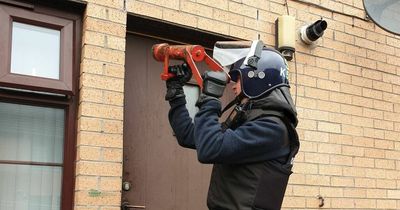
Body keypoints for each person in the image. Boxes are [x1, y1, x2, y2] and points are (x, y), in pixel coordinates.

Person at [164, 47, 299, 210]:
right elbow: (189, 136)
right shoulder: (252, 121)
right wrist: (176, 94)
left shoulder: (272, 128)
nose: (233, 86)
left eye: (238, 79)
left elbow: (209, 149)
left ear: (257, 79)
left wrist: (210, 99)